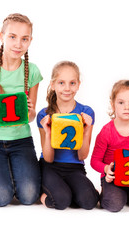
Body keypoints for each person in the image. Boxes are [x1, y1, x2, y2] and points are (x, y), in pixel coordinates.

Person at [0, 13, 43, 207]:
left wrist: (30, 111)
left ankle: (15, 172)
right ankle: (7, 173)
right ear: (1, 36)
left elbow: (30, 116)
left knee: (29, 197)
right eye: (12, 37)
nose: (18, 44)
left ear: (30, 41)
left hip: (21, 142)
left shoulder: (33, 71)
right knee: (1, 199)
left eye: (24, 39)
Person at [37, 61, 99, 210]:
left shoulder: (86, 112)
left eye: (72, 83)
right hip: (50, 167)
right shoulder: (44, 114)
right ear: (53, 85)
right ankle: (42, 195)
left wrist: (86, 130)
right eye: (61, 83)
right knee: (61, 201)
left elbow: (82, 156)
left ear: (78, 85)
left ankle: (70, 190)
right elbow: (49, 158)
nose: (67, 88)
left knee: (89, 202)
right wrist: (48, 132)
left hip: (75, 167)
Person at [90, 80, 129, 212]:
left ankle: (127, 195)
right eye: (121, 103)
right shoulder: (106, 132)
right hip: (112, 178)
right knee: (114, 205)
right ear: (113, 105)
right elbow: (94, 161)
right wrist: (106, 169)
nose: (127, 107)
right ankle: (108, 195)